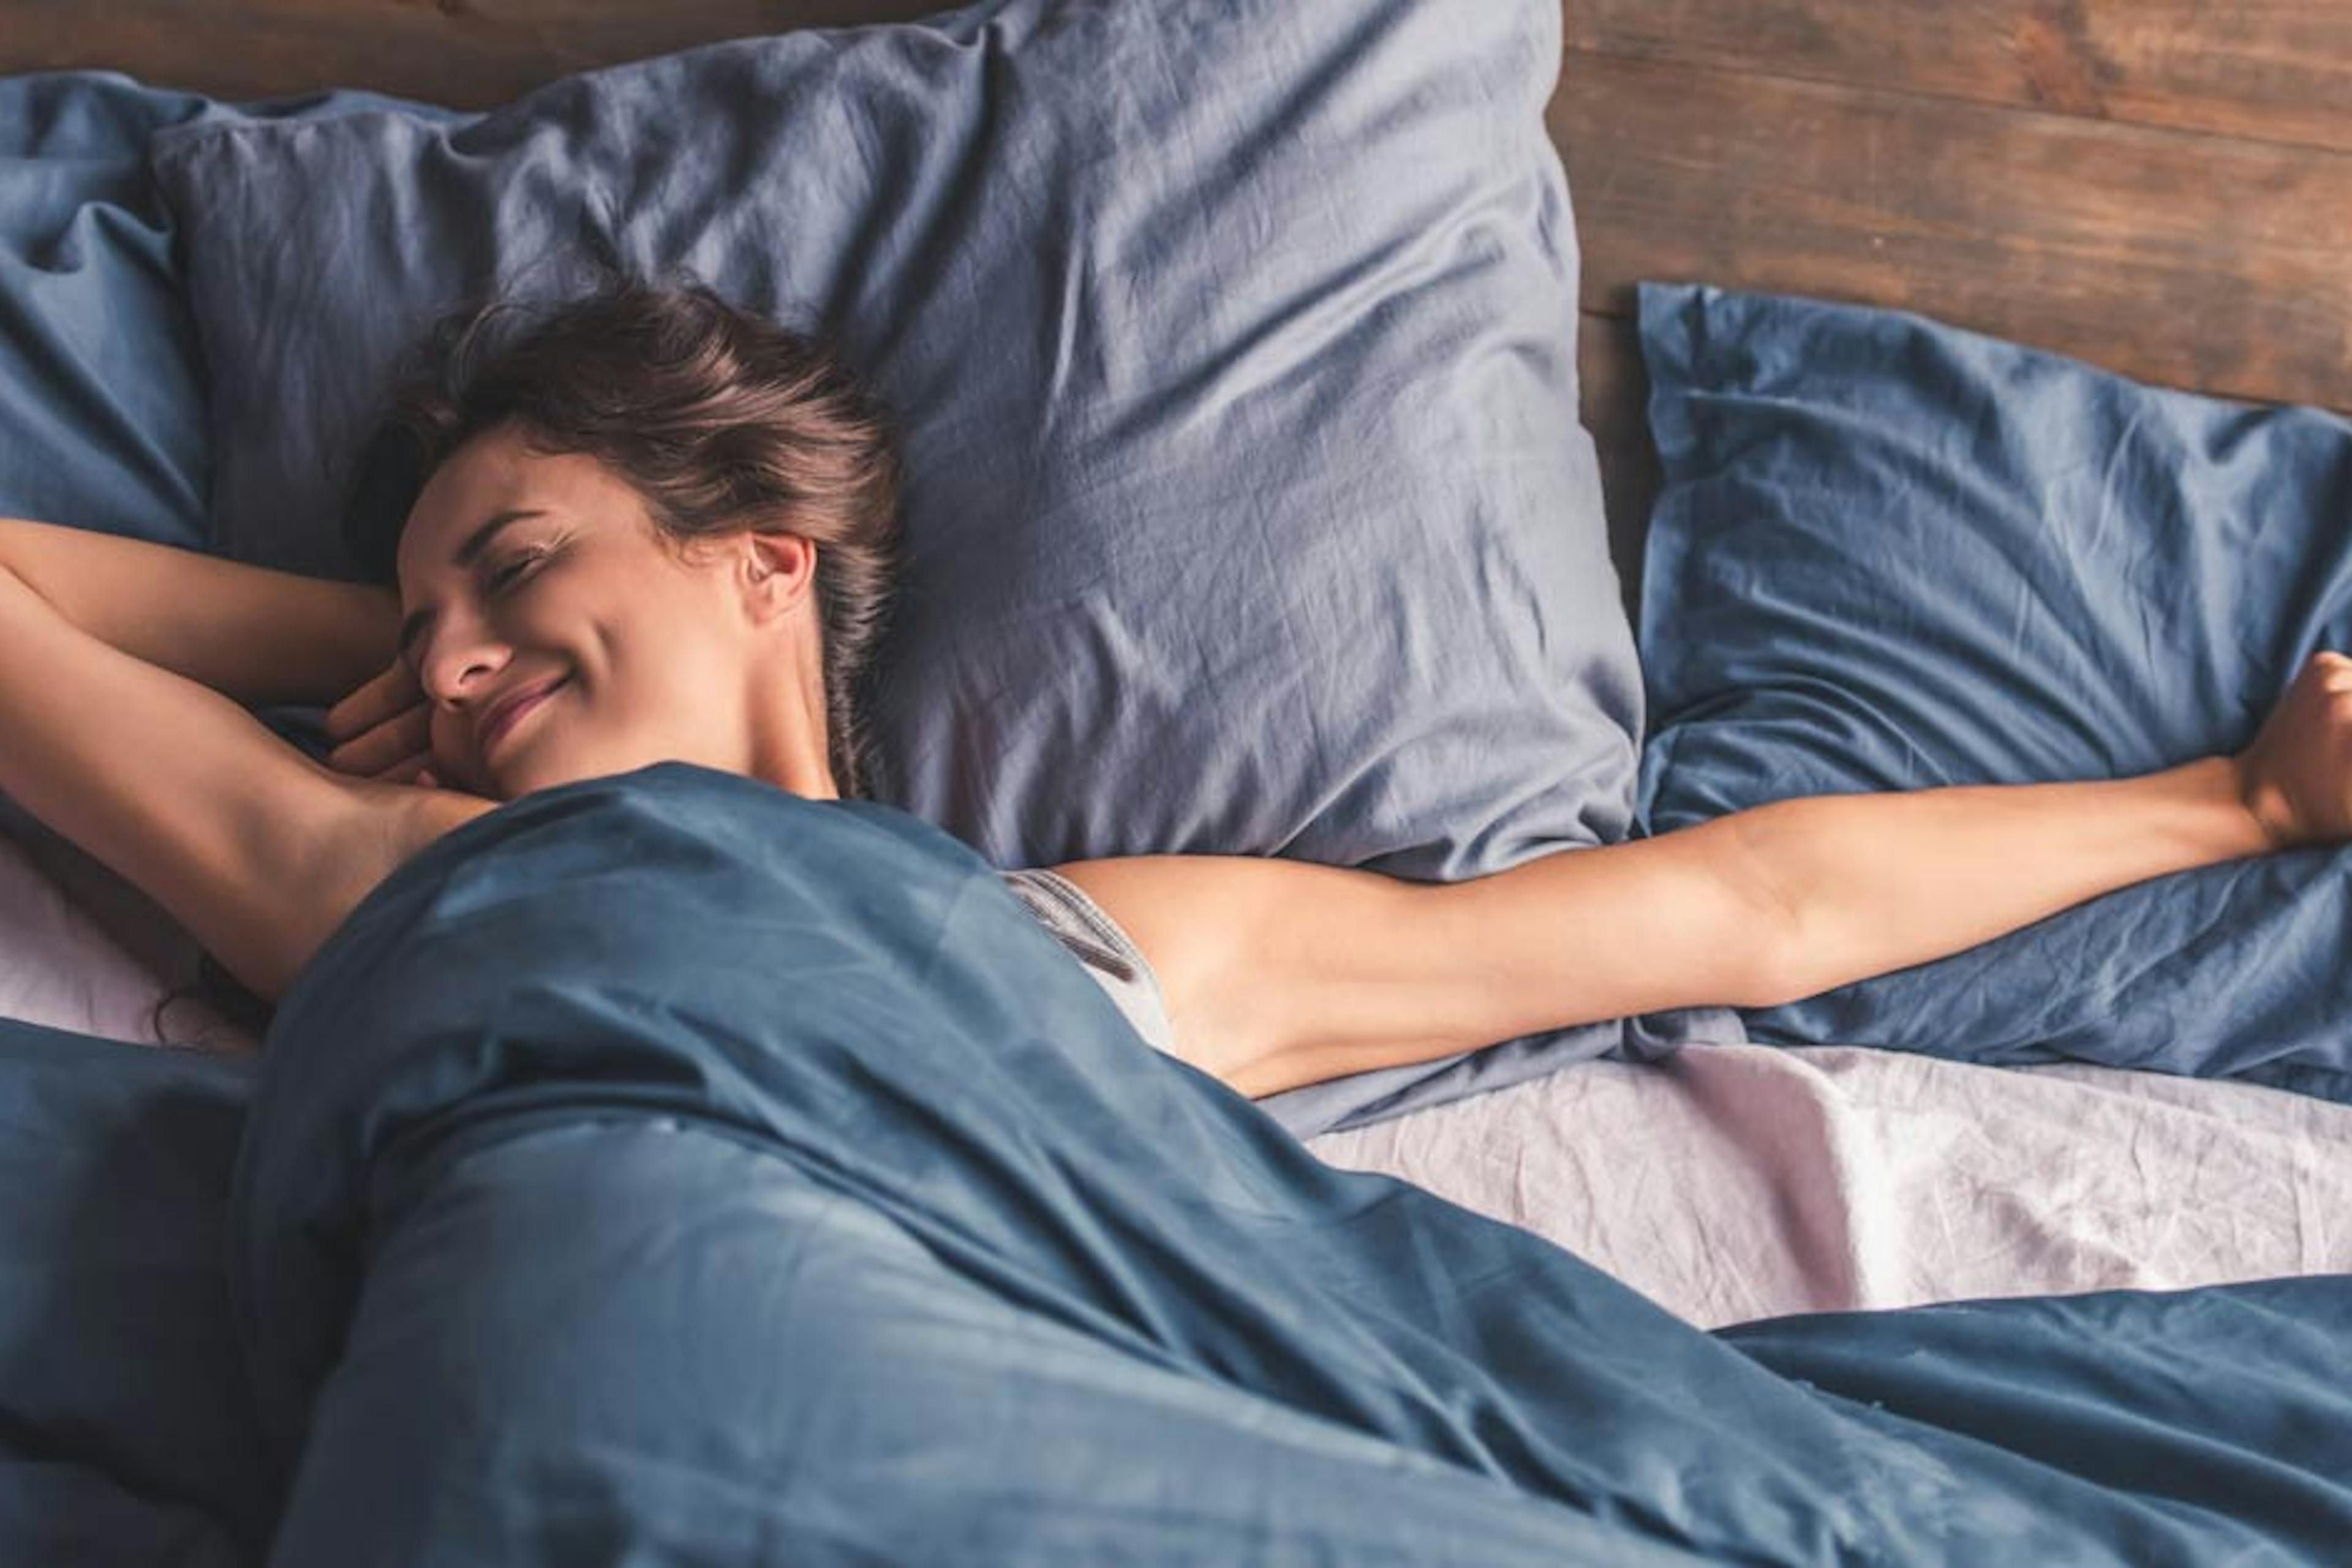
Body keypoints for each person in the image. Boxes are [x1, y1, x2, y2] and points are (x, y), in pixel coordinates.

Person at [1, 270, 2345, 1100]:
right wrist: (389, 652)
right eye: (427, 631)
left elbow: (1737, 920)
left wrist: (2235, 815)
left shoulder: (1109, 949)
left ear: (762, 558)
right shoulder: (376, 872)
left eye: (511, 568)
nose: (466, 654)